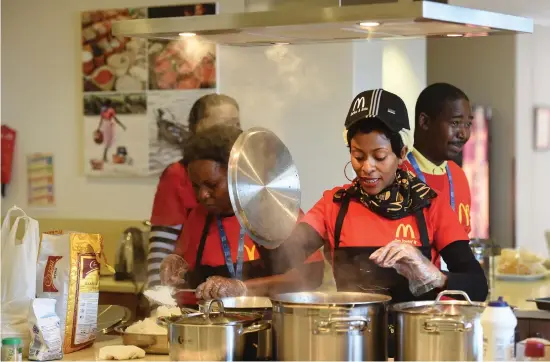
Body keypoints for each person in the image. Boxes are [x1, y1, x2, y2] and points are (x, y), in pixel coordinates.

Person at [189, 89, 488, 304]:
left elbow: (477, 285)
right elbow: (282, 258)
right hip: (350, 338)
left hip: (416, 341)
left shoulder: (430, 205)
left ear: (401, 153)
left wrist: (435, 276)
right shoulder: (335, 205)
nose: (367, 167)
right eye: (358, 155)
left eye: (379, 156)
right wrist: (261, 199)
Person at [160, 125, 325, 300]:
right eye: (196, 186)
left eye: (212, 185)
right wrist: (175, 264)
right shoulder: (198, 217)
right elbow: (183, 262)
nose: (203, 195)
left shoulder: (277, 212)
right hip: (215, 325)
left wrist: (244, 289)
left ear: (238, 176)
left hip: (271, 323)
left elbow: (311, 276)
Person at [146, 93, 240, 288]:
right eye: (224, 124)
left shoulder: (248, 172)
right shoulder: (177, 174)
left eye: (236, 123)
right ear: (197, 128)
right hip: (195, 289)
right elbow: (161, 246)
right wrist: (159, 299)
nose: (233, 131)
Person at [403, 83, 473, 235]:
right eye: (455, 123)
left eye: (468, 124)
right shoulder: (398, 175)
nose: (463, 134)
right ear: (425, 122)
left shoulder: (458, 175)